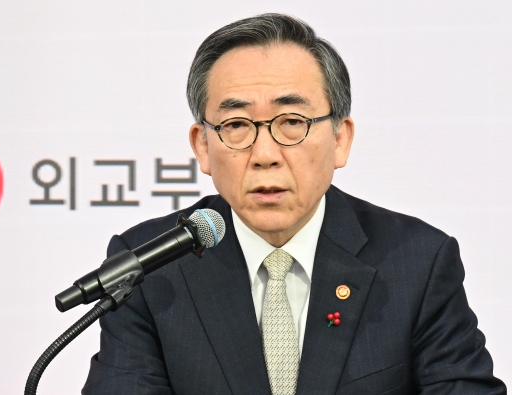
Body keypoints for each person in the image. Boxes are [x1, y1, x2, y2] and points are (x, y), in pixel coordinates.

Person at [83, 13, 506, 395]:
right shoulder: (149, 266)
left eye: (292, 123)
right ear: (203, 147)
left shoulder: (416, 260)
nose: (265, 153)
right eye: (236, 125)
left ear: (340, 139)